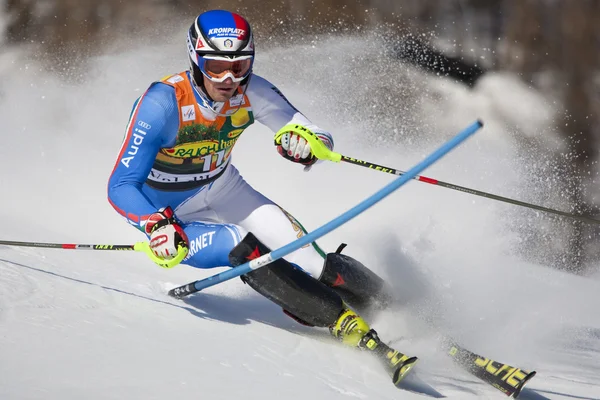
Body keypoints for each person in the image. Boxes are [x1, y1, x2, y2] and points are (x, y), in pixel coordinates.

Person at [107, 9, 404, 369]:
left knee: (310, 260)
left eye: (240, 65)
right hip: (174, 217)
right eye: (216, 66)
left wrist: (305, 144)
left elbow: (314, 133)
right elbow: (121, 185)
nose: (229, 78)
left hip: (224, 189)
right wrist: (155, 225)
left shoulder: (253, 90)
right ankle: (340, 321)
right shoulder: (162, 104)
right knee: (242, 246)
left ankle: (396, 305)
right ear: (195, 58)